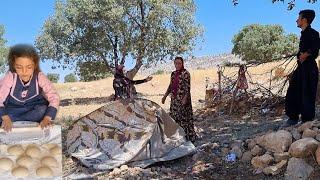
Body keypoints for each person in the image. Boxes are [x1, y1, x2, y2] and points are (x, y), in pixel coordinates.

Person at [0, 44, 60, 132]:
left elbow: (54, 98)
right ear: (13, 65)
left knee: (43, 110)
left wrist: (47, 118)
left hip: (33, 111)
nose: (24, 72)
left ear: (35, 65)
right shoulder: (10, 77)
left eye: (29, 67)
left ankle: (37, 123)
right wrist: (5, 117)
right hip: (12, 111)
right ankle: (7, 122)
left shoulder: (40, 77)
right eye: (19, 67)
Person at [284, 9, 320, 127]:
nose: (296, 20)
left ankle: (307, 121)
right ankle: (293, 118)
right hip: (301, 69)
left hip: (310, 69)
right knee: (293, 90)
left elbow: (315, 49)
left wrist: (306, 54)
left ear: (304, 20)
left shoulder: (314, 33)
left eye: (298, 18)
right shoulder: (303, 34)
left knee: (308, 93)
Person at [162, 56, 196, 142]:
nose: (177, 65)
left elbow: (188, 88)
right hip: (174, 100)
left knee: (184, 119)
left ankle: (187, 138)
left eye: (179, 63)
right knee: (174, 118)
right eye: (176, 63)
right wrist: (165, 96)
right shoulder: (173, 74)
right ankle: (177, 138)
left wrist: (184, 99)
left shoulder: (186, 73)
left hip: (183, 100)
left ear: (182, 63)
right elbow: (170, 86)